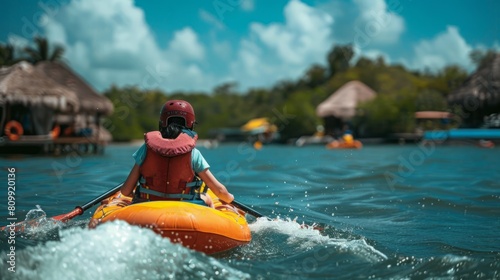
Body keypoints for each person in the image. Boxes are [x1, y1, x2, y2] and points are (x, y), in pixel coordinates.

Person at [120, 100, 234, 207]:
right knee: (207, 197)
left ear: (162, 123)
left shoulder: (146, 148)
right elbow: (219, 191)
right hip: (184, 207)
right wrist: (229, 198)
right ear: (191, 124)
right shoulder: (193, 153)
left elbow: (125, 191)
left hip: (148, 206)